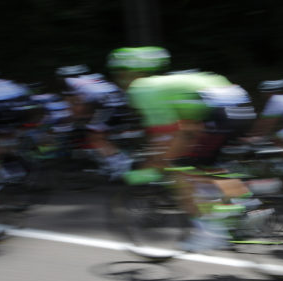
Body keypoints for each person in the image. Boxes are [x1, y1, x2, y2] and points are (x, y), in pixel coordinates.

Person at [107, 46, 257, 251]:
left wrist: (157, 163)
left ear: (127, 75)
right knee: (205, 165)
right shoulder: (167, 84)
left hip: (220, 112)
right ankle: (247, 204)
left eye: (120, 75)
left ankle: (210, 234)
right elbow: (188, 128)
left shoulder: (141, 90)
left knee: (179, 170)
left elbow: (165, 136)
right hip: (240, 106)